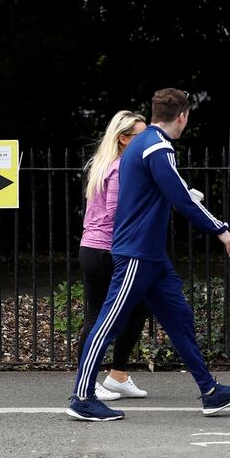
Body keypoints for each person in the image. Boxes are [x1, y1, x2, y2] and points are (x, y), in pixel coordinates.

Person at [67, 88, 230, 421]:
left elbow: (166, 192)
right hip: (138, 253)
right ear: (182, 116)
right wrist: (220, 229)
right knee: (107, 323)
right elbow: (181, 197)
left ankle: (210, 392)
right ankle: (82, 398)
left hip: (151, 256)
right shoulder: (157, 147)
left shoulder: (140, 144)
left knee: (179, 320)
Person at [78, 110, 151, 402]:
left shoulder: (104, 163)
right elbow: (116, 213)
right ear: (123, 138)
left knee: (139, 306)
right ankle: (88, 381)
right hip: (106, 250)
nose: (147, 140)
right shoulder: (121, 167)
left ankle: (117, 376)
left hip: (94, 248)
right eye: (140, 135)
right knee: (97, 316)